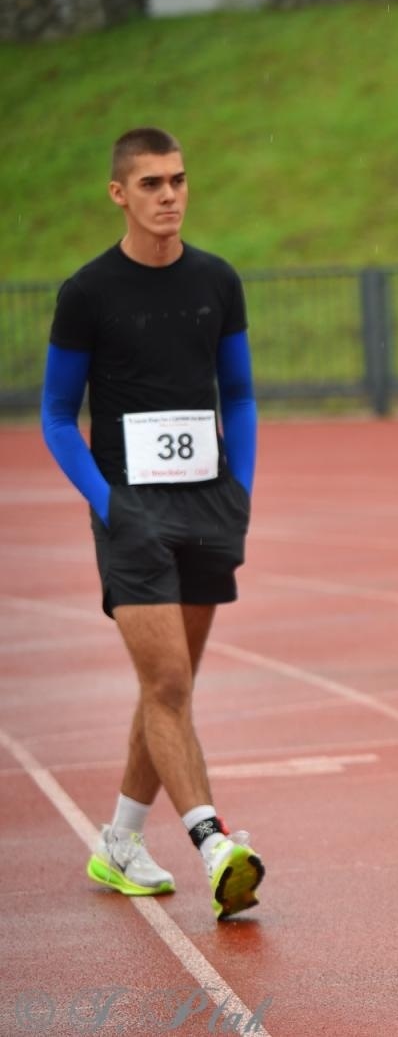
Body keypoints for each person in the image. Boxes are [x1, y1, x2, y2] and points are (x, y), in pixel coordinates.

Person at [41, 127, 265, 920]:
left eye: (177, 180)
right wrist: (110, 506)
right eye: (150, 184)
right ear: (119, 194)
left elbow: (236, 394)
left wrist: (239, 487)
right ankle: (215, 845)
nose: (168, 195)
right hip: (129, 509)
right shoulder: (88, 293)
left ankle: (120, 843)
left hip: (207, 503)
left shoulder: (217, 280)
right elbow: (57, 418)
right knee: (167, 683)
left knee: (168, 687)